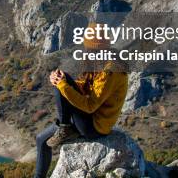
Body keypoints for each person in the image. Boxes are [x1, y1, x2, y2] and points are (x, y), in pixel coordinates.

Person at [34, 24, 128, 178]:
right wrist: (60, 80)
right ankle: (65, 128)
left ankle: (65, 128)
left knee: (61, 85)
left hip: (95, 126)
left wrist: (62, 85)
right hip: (85, 116)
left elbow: (90, 105)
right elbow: (82, 86)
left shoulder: (111, 69)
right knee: (41, 139)